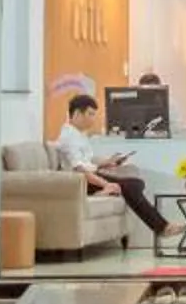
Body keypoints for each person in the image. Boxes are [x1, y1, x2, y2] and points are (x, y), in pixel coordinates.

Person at [55, 93, 175, 241]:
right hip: (80, 182)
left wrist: (108, 162)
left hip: (90, 176)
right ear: (78, 113)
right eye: (90, 114)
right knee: (132, 186)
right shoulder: (68, 137)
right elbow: (80, 170)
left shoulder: (78, 134)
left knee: (136, 184)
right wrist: (106, 184)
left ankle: (162, 227)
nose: (93, 119)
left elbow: (87, 161)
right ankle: (162, 227)